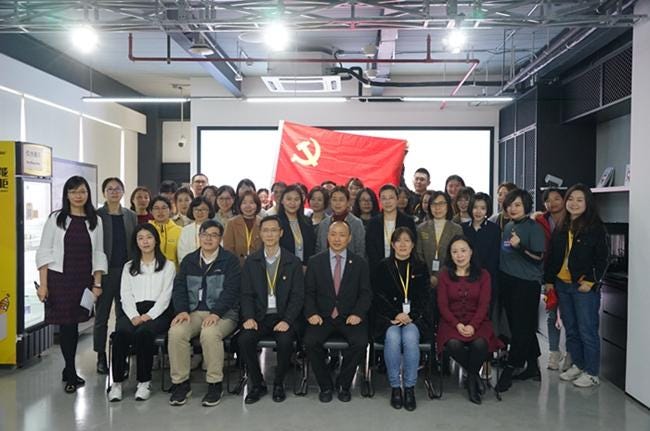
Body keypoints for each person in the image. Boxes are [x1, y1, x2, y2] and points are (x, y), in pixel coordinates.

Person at [36, 176, 107, 393]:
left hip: (82, 279)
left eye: (82, 191)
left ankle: (68, 370)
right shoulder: (56, 218)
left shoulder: (95, 220)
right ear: (66, 194)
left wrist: (97, 283)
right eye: (73, 192)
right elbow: (44, 252)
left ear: (88, 194)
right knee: (66, 326)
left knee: (74, 324)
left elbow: (99, 253)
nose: (78, 196)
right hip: (59, 279)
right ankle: (70, 370)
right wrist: (43, 285)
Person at [167, 220, 241, 407]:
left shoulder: (230, 261)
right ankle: (181, 383)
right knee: (176, 331)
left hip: (224, 314)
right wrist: (182, 311)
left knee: (210, 333)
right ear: (199, 237)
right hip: (193, 312)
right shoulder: (189, 261)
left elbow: (232, 291)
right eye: (205, 234)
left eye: (214, 235)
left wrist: (216, 313)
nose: (208, 239)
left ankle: (215, 383)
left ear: (220, 239)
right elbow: (179, 288)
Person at [545, 184, 608, 388]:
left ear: (588, 203)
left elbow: (603, 259)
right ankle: (578, 365)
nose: (574, 203)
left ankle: (592, 372)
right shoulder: (562, 226)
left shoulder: (595, 228)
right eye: (571, 199)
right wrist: (548, 280)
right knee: (571, 329)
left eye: (580, 200)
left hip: (583, 287)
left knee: (587, 330)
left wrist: (590, 281)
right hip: (562, 284)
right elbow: (553, 256)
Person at [238, 215, 305, 404]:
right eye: (266, 230)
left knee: (285, 341)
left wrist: (287, 320)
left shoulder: (293, 262)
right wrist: (249, 317)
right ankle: (258, 383)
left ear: (281, 233)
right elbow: (246, 294)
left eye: (274, 230)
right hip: (259, 317)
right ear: (260, 234)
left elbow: (298, 296)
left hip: (283, 317)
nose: (270, 234)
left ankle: (278, 383)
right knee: (244, 340)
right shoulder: (251, 261)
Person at [303, 221, 372, 403]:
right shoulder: (315, 261)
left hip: (349, 317)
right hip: (322, 317)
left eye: (342, 235)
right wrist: (312, 313)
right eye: (333, 234)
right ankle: (325, 385)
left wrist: (358, 314)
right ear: (327, 237)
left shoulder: (360, 263)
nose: (337, 239)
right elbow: (308, 293)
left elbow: (366, 294)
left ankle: (344, 384)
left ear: (349, 238)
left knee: (360, 342)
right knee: (310, 342)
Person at [107, 224, 174, 402]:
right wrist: (133, 315)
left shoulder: (168, 265)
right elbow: (125, 294)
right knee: (121, 334)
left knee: (144, 333)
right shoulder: (129, 266)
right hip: (133, 310)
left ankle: (144, 382)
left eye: (149, 237)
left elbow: (166, 296)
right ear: (136, 242)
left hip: (158, 312)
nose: (145, 242)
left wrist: (149, 316)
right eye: (141, 238)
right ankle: (117, 383)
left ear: (156, 240)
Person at [437, 235, 504, 404]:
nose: (459, 255)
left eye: (463, 250)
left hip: (478, 322)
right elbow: (443, 306)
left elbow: (484, 305)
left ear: (471, 252)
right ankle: (474, 377)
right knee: (453, 344)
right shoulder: (444, 275)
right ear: (450, 255)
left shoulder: (483, 275)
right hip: (451, 322)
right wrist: (457, 324)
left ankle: (472, 380)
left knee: (480, 344)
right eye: (454, 252)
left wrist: (473, 325)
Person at [373, 227, 431, 411]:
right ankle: (396, 388)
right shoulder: (383, 266)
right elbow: (378, 296)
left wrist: (410, 316)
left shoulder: (421, 267)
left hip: (414, 319)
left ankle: (410, 388)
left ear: (413, 244)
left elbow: (425, 297)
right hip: (389, 318)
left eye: (407, 240)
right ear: (392, 244)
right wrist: (395, 314)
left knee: (410, 338)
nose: (403, 244)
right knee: (392, 337)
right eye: (398, 240)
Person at [495, 189, 546, 392]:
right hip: (507, 280)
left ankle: (510, 368)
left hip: (526, 283)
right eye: (509, 205)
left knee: (520, 329)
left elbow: (539, 258)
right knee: (521, 326)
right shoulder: (508, 226)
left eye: (517, 205)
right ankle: (532, 366)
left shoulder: (534, 228)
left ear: (526, 206)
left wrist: (520, 247)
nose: (512, 208)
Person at [95, 177, 137, 375]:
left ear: (123, 191)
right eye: (110, 189)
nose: (114, 192)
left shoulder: (130, 215)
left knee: (124, 315)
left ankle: (122, 354)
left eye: (117, 188)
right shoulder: (97, 215)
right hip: (104, 272)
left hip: (126, 271)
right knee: (101, 316)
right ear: (104, 192)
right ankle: (100, 355)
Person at [535, 188, 570, 371]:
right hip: (547, 272)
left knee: (569, 316)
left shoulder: (573, 219)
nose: (553, 203)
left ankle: (571, 354)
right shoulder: (540, 220)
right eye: (548, 200)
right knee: (551, 312)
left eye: (557, 198)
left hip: (570, 274)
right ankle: (554, 351)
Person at [461, 192, 505, 339]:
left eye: (483, 208)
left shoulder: (494, 230)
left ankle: (485, 346)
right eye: (475, 207)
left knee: (485, 314)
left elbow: (494, 258)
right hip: (465, 278)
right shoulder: (462, 228)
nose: (478, 211)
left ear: (488, 210)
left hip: (487, 279)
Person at [416, 191, 463, 288]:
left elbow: (456, 256)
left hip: (449, 277)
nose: (437, 207)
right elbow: (418, 254)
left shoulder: (456, 229)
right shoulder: (421, 228)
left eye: (441, 203)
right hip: (425, 279)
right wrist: (427, 276)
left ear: (448, 205)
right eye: (434, 204)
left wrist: (438, 276)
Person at [366, 184, 417, 272]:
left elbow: (413, 245)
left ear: (397, 199)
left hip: (403, 268)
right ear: (380, 201)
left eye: (391, 198)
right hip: (378, 269)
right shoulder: (373, 223)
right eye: (384, 198)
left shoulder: (408, 221)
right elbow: (370, 249)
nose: (387, 202)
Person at [316, 186, 366, 258]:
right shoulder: (323, 223)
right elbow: (319, 249)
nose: (337, 203)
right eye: (334, 200)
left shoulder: (356, 223)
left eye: (341, 200)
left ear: (348, 202)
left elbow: (360, 250)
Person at [277, 185, 316, 265]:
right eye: (289, 199)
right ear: (282, 201)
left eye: (296, 199)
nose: (292, 203)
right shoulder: (275, 222)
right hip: (283, 267)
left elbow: (311, 247)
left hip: (304, 267)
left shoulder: (307, 222)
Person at [223, 190, 263, 266]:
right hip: (237, 266)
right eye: (244, 203)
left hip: (258, 266)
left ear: (257, 205)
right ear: (240, 205)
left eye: (251, 203)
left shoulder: (262, 223)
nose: (248, 206)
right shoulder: (231, 223)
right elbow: (228, 248)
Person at [177, 197, 215, 264]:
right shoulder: (186, 230)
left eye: (203, 209)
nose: (199, 212)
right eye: (196, 209)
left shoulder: (216, 228)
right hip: (190, 267)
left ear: (209, 211)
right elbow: (182, 253)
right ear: (192, 211)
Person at [149, 195, 182, 268]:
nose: (160, 211)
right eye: (156, 208)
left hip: (174, 272)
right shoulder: (146, 230)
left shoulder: (180, 231)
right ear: (151, 211)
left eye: (164, 208)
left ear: (170, 210)